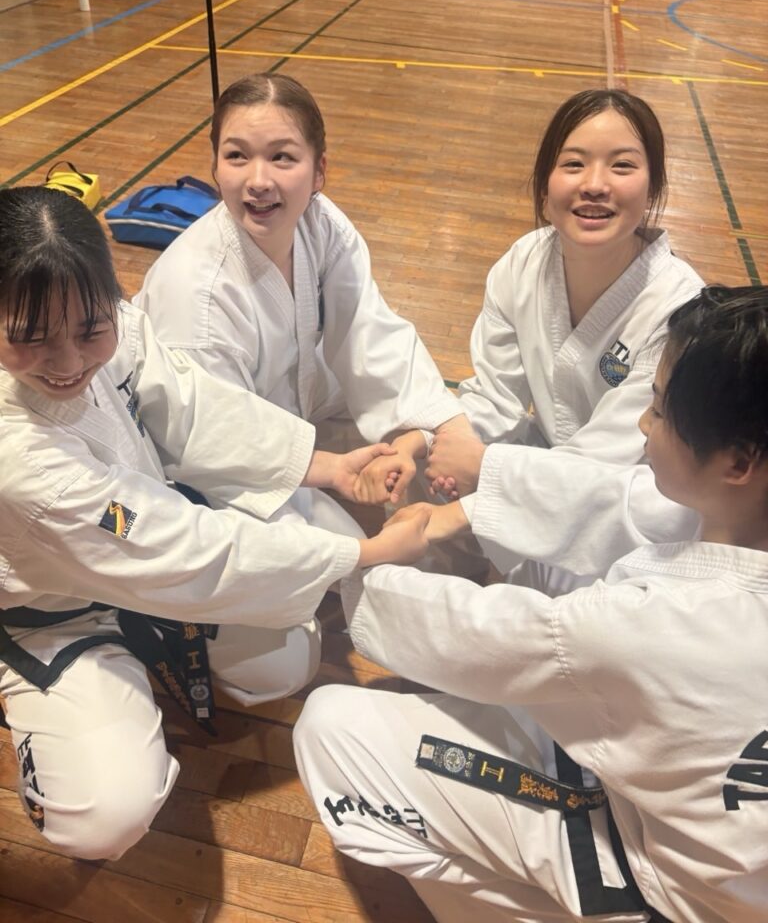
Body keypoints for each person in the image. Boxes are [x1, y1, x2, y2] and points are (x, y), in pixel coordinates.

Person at [294, 285, 768, 923]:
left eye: (658, 409)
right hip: (721, 842)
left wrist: (364, 563)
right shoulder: (735, 514)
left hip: (680, 891)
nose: (643, 424)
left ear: (737, 462)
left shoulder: (656, 627)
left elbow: (486, 638)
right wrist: (466, 497)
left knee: (331, 727)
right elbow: (622, 501)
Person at [0, 186, 429, 862]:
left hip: (140, 545)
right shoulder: (16, 456)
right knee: (103, 815)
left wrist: (328, 467)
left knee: (283, 663)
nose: (69, 360)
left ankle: (145, 658)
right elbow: (174, 546)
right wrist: (362, 554)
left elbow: (194, 408)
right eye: (31, 339)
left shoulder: (113, 319)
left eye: (89, 329)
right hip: (56, 611)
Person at [134, 72, 468, 528]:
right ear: (215, 166)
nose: (258, 181)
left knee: (431, 449)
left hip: (298, 412)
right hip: (220, 466)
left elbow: (369, 332)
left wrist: (437, 428)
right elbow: (214, 440)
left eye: (282, 157)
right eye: (236, 156)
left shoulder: (319, 223)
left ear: (319, 171)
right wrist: (329, 475)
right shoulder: (197, 293)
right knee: (353, 552)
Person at [421, 90, 705, 585]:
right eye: (573, 164)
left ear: (654, 185)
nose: (594, 185)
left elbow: (604, 458)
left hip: (630, 500)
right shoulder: (523, 263)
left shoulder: (678, 305)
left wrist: (484, 474)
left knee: (553, 583)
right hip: (549, 463)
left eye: (622, 166)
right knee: (426, 471)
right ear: (545, 184)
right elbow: (496, 397)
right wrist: (439, 440)